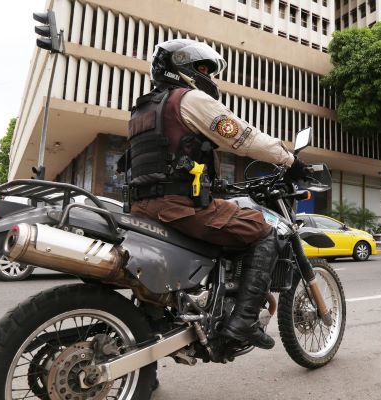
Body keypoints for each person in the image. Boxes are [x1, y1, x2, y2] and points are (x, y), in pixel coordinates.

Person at [123, 39, 308, 350]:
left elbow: (166, 160)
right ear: (182, 68)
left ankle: (151, 347)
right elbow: (244, 138)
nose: (208, 75)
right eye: (203, 68)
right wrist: (291, 160)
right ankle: (242, 322)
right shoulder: (189, 99)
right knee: (263, 231)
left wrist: (213, 184)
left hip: (141, 207)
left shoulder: (143, 110)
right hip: (178, 208)